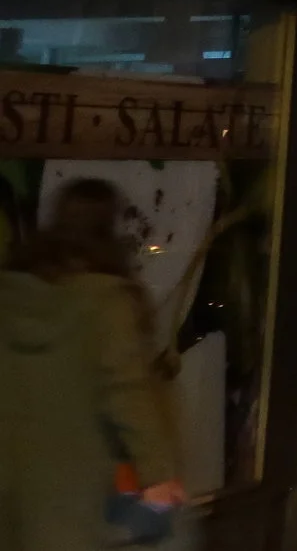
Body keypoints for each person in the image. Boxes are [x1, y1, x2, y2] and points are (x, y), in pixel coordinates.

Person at [1, 177, 185, 551]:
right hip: (69, 489)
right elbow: (126, 391)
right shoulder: (104, 303)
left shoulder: (10, 295)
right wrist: (157, 474)